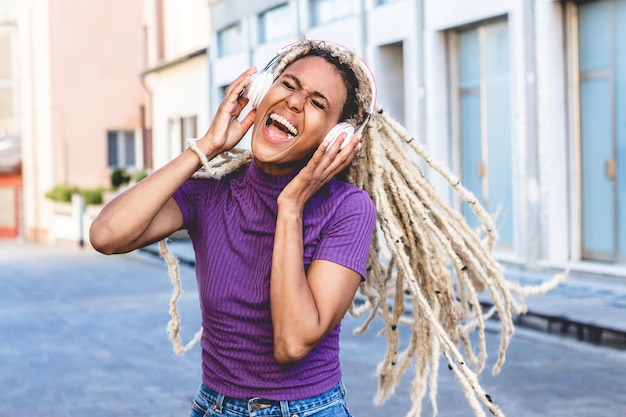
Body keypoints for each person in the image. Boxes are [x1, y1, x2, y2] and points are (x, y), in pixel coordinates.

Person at [90, 40, 563, 417]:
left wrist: (291, 205)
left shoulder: (348, 210)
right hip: (212, 406)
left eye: (317, 103)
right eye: (288, 85)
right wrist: (207, 147)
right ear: (260, 95)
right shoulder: (211, 191)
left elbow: (292, 341)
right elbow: (107, 235)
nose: (294, 103)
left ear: (338, 138)